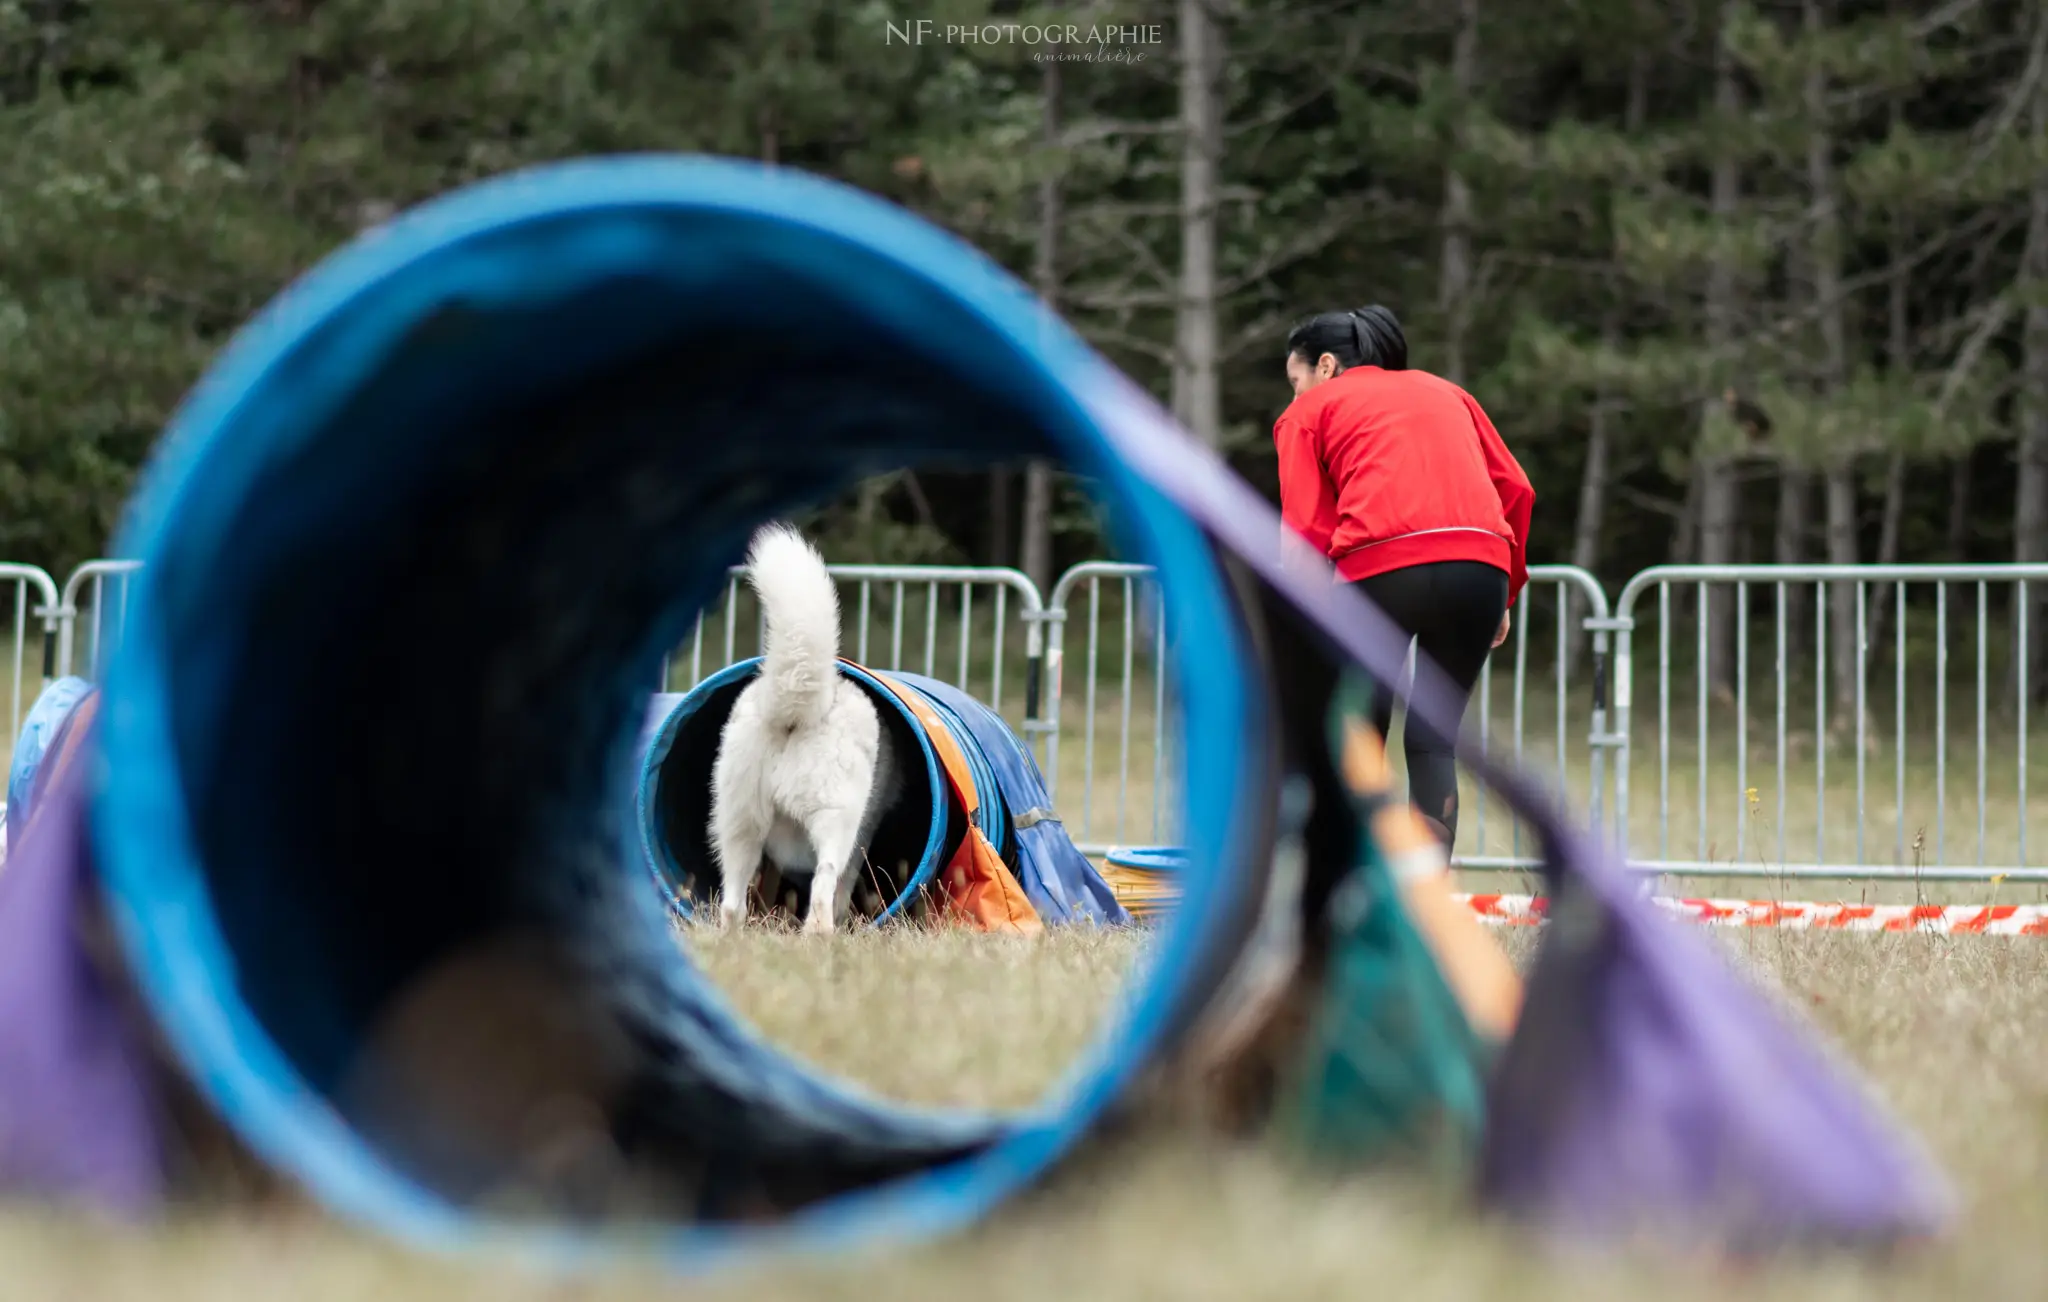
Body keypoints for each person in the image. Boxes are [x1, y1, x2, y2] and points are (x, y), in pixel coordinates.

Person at [1272, 304, 1534, 851]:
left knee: (1355, 739)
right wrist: (1504, 590)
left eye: (1296, 381)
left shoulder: (1310, 411)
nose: (1295, 395)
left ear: (1324, 366)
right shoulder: (1448, 392)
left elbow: (1306, 532)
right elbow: (1516, 489)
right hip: (1481, 570)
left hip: (1378, 572)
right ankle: (1427, 906)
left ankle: (1356, 894)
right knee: (1434, 742)